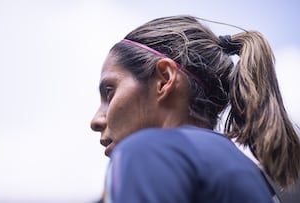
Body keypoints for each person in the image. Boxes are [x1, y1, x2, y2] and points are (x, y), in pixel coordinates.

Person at [90, 15, 300, 203]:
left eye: (110, 91)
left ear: (164, 80)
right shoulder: (249, 175)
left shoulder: (147, 151)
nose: (96, 120)